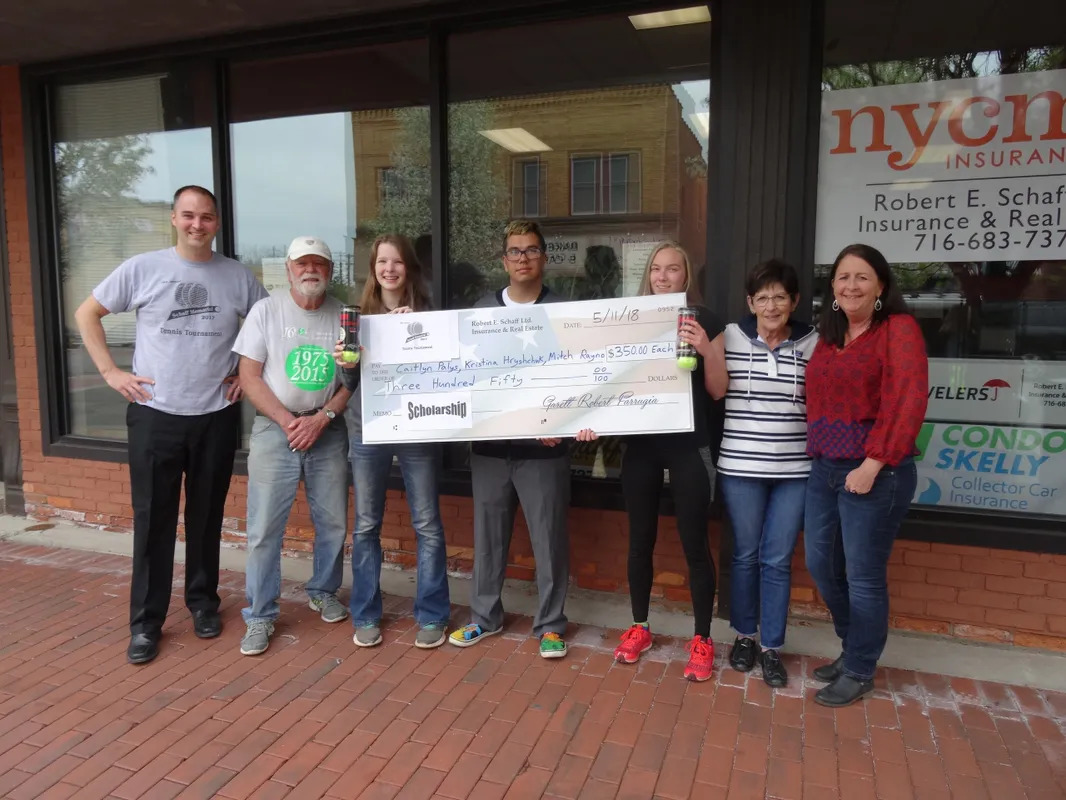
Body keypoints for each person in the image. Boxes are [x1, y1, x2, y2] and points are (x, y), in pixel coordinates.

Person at [74, 185, 268, 665]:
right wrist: (111, 373)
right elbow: (87, 313)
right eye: (188, 216)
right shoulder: (144, 267)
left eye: (206, 217)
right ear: (174, 219)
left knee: (206, 517)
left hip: (216, 415)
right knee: (154, 519)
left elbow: (267, 326)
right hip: (155, 413)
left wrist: (246, 374)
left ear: (217, 223)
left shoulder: (237, 277)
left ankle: (203, 604)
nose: (197, 225)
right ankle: (146, 623)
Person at [584, 241, 727, 682]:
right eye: (657, 270)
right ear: (649, 275)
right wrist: (592, 419)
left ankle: (702, 637)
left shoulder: (706, 319)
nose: (664, 277)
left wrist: (705, 348)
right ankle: (640, 626)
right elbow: (607, 378)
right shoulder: (631, 321)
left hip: (689, 444)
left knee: (694, 544)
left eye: (674, 270)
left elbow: (719, 390)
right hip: (642, 446)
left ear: (687, 276)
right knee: (639, 540)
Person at [804, 243, 928, 707]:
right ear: (833, 288)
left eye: (861, 277)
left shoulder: (898, 330)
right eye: (842, 277)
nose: (850, 285)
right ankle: (853, 646)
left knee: (863, 576)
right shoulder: (830, 335)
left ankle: (860, 668)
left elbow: (908, 398)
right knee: (822, 565)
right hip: (825, 468)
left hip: (876, 473)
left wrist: (873, 463)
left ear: (880, 286)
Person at [448, 220, 574, 659]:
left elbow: (577, 378)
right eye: (515, 251)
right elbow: (462, 377)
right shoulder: (478, 313)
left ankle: (552, 624)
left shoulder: (565, 313)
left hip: (544, 451)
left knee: (549, 541)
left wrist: (566, 420)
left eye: (531, 250)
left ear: (544, 258)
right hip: (490, 449)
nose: (523, 258)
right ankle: (484, 618)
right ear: (504, 261)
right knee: (488, 540)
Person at [233, 236, 353, 656]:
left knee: (334, 521)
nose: (311, 270)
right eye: (302, 263)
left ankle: (323, 589)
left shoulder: (344, 314)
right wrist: (289, 422)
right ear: (288, 270)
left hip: (327, 429)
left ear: (330, 271)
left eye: (319, 264)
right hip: (274, 429)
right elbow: (249, 376)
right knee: (264, 529)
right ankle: (261, 615)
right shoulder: (266, 311)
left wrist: (323, 418)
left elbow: (350, 382)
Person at [333, 234, 451, 649]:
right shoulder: (357, 317)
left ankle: (433, 615)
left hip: (417, 427)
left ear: (409, 268)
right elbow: (348, 383)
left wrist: (411, 334)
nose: (389, 269)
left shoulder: (429, 314)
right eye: (382, 262)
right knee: (366, 526)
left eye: (397, 262)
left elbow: (443, 376)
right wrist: (345, 361)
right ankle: (366, 614)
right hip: (368, 430)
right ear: (373, 269)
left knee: (427, 524)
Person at [705, 259, 818, 688]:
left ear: (794, 301)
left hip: (795, 471)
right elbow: (713, 385)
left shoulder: (814, 342)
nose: (772, 305)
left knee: (777, 559)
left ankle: (772, 646)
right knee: (745, 556)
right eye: (763, 297)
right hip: (740, 469)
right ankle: (744, 637)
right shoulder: (731, 336)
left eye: (780, 297)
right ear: (751, 302)